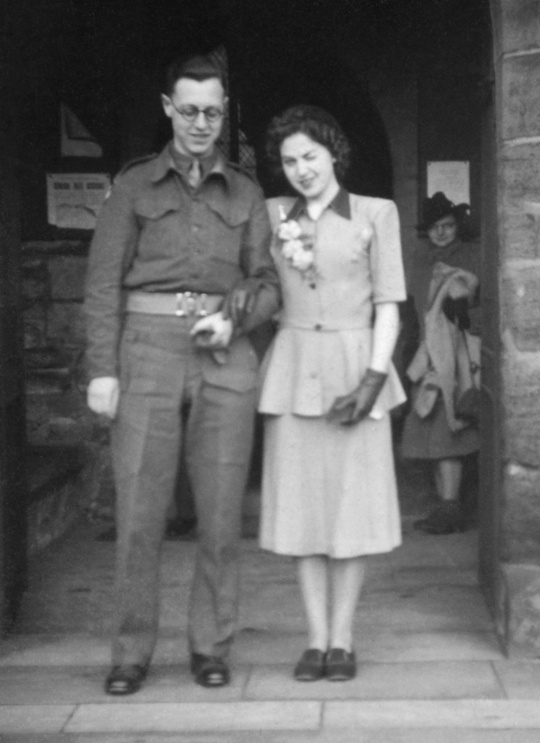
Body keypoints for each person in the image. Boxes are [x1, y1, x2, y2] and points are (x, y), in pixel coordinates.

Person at [84, 53, 280, 694]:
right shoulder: (134, 185)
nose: (201, 123)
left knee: (222, 514)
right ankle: (131, 651)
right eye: (190, 110)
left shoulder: (247, 192)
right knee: (140, 511)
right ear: (168, 108)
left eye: (213, 112)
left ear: (225, 115)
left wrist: (236, 318)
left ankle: (210, 646)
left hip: (223, 352)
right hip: (146, 350)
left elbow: (269, 281)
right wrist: (101, 370)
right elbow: (101, 283)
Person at [258, 105, 407, 681]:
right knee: (303, 511)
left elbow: (389, 303)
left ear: (334, 153)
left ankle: (344, 639)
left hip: (355, 365)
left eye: (311, 156)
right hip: (294, 370)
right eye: (290, 160)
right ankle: (314, 639)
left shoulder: (376, 213)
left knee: (352, 511)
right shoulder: (271, 215)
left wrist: (373, 378)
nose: (301, 169)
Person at [401, 192, 481, 535]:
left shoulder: (470, 258)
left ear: (456, 227)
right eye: (435, 228)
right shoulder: (419, 261)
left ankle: (451, 507)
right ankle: (444, 506)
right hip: (425, 354)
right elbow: (412, 311)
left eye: (447, 226)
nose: (442, 233)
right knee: (431, 431)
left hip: (454, 355)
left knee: (448, 431)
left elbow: (476, 307)